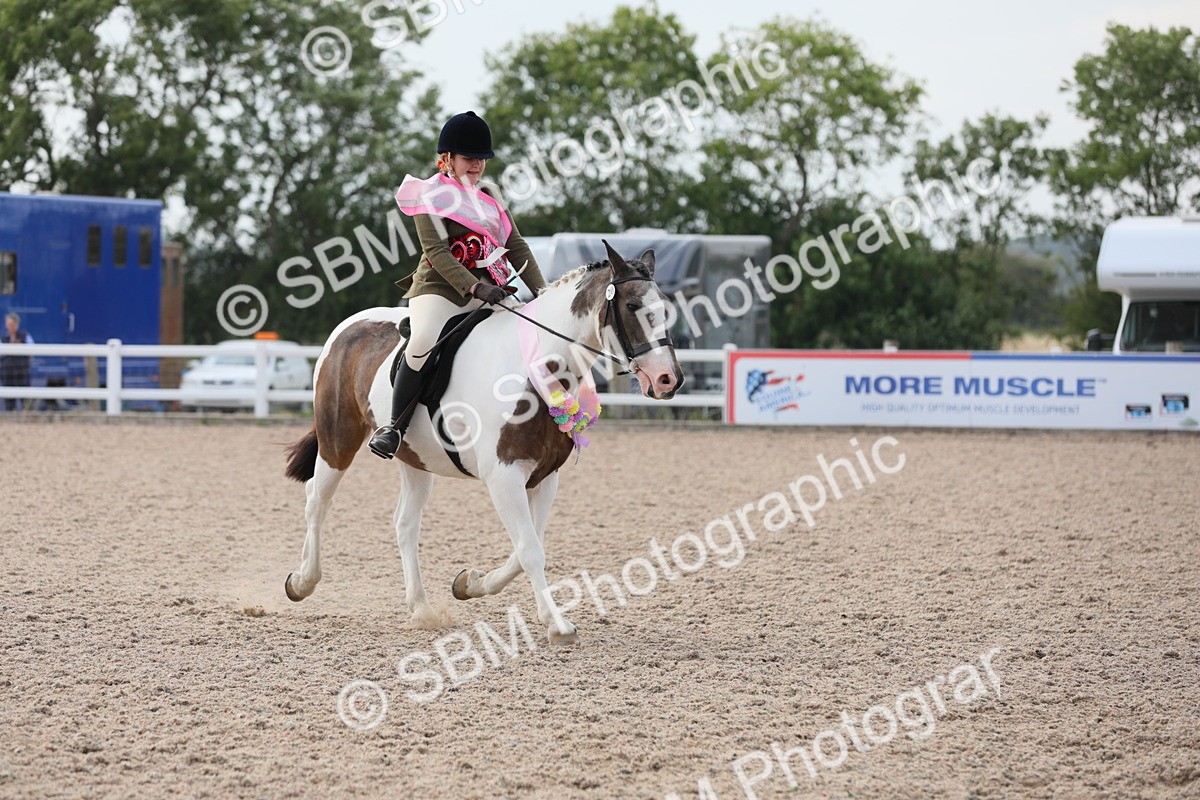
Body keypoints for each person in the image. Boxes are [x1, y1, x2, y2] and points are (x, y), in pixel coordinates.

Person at [368, 111, 550, 459]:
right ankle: (394, 427)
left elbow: (517, 246)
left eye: (482, 159)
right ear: (447, 158)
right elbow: (437, 252)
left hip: (491, 288)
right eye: (469, 158)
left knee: (528, 333)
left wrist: (544, 293)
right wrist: (476, 289)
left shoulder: (490, 197)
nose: (477, 165)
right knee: (422, 340)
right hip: (439, 288)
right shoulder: (427, 193)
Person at [1, 312, 33, 411]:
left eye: (13, 324)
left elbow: (32, 349)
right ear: (6, 325)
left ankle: (27, 420)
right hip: (7, 373)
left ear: (17, 324)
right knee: (9, 401)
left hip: (22, 372)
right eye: (9, 324)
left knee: (26, 400)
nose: (11, 327)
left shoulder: (25, 336)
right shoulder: (2, 338)